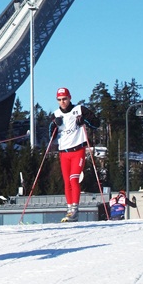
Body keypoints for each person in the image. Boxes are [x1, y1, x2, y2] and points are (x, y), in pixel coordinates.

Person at [48, 87, 100, 223]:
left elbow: (96, 123)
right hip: (64, 152)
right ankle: (69, 209)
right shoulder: (56, 114)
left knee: (74, 179)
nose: (62, 102)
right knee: (67, 182)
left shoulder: (79, 110)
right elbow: (51, 135)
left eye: (64, 99)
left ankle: (75, 210)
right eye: (59, 100)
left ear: (69, 98)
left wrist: (84, 120)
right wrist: (54, 125)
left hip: (78, 150)